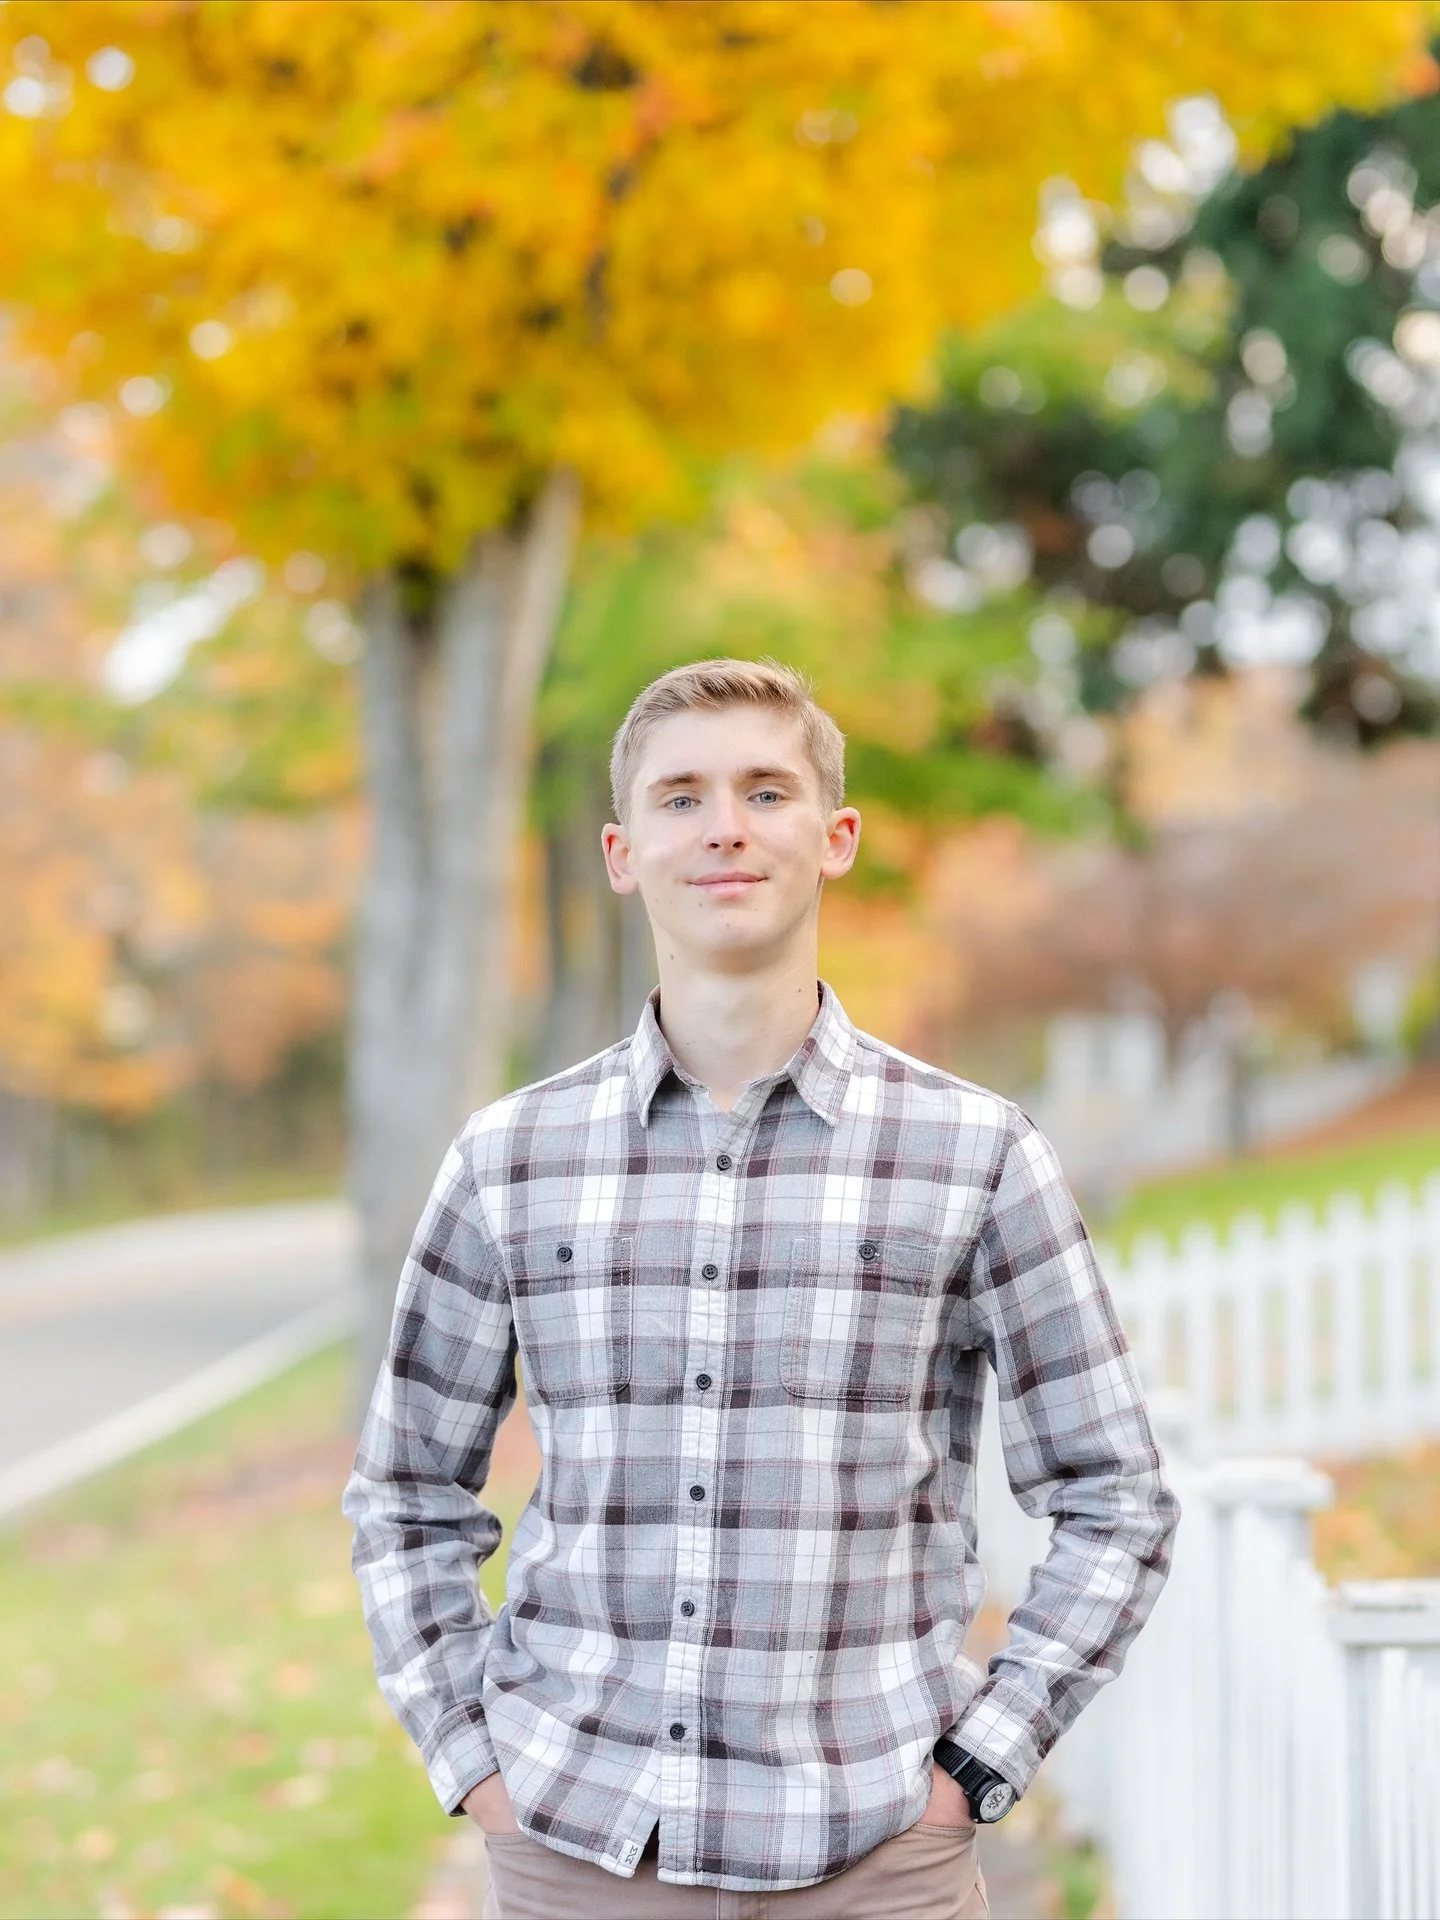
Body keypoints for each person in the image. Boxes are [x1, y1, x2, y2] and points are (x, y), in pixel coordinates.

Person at [344, 659, 1179, 1919]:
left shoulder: (975, 1154)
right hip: (580, 1846)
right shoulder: (510, 1159)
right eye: (681, 797)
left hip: (877, 1854)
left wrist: (979, 1769)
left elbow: (1116, 1496)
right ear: (623, 854)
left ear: (834, 837)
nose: (724, 825)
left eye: (765, 789)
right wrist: (477, 1771)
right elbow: (406, 1494)